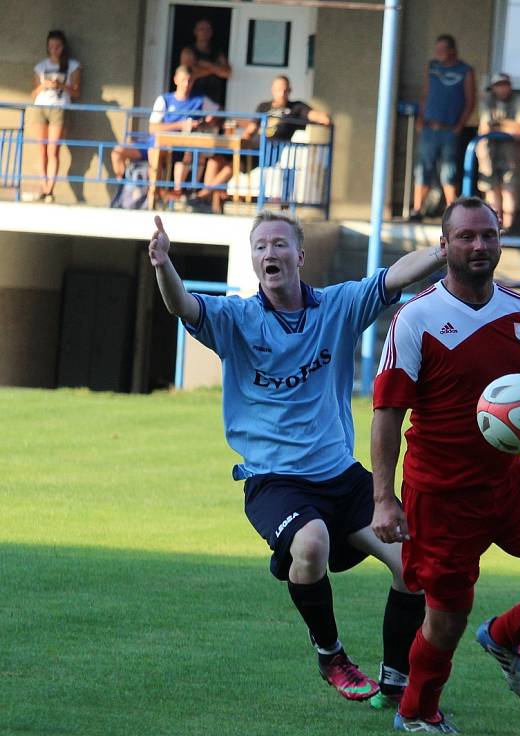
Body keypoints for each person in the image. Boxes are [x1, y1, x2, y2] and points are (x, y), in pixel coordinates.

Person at [147, 209, 447, 706]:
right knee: (310, 545)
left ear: (300, 256)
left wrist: (440, 253)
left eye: (280, 244)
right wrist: (163, 265)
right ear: (253, 259)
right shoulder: (236, 319)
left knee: (414, 563)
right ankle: (332, 656)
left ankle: (396, 679)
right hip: (274, 480)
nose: (270, 252)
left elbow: (393, 275)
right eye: (261, 246)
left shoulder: (337, 307)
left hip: (342, 477)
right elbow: (183, 306)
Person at [370, 196, 520, 734]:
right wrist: (384, 497)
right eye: (466, 236)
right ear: (443, 246)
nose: (479, 245)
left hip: (508, 483)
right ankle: (416, 713)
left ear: (500, 241)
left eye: (488, 235)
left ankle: (506, 636)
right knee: (445, 616)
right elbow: (387, 412)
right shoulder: (417, 319)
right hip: (440, 494)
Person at [194, 75, 331, 212]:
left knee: (233, 165)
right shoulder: (263, 106)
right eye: (278, 89)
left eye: (285, 90)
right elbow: (251, 129)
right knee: (215, 160)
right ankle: (209, 201)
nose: (282, 93)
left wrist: (324, 119)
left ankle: (203, 195)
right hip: (252, 146)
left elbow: (316, 116)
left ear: (290, 91)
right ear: (272, 90)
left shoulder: (296, 108)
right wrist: (241, 141)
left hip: (268, 153)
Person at [112, 66, 219, 200]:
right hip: (155, 142)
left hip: (179, 147)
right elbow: (153, 128)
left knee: (172, 153)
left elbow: (218, 112)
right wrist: (180, 125)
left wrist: (208, 120)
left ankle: (158, 194)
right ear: (175, 80)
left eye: (190, 81)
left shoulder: (198, 100)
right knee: (118, 152)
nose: (186, 84)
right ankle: (123, 188)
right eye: (183, 80)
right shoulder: (165, 100)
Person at [409, 34, 476, 221]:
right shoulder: (432, 67)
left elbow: (470, 101)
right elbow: (425, 94)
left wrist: (459, 126)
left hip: (449, 129)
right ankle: (417, 209)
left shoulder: (465, 70)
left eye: (442, 50)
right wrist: (421, 119)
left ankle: (451, 211)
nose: (438, 53)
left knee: (449, 169)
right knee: (423, 167)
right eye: (436, 49)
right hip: (429, 128)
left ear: (452, 51)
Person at [30, 30, 81, 203]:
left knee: (53, 150)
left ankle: (50, 190)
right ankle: (43, 187)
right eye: (51, 46)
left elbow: (76, 92)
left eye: (57, 46)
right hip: (41, 106)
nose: (54, 50)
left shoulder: (72, 65)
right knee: (41, 150)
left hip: (59, 107)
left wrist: (60, 85)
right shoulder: (41, 66)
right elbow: (33, 92)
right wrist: (44, 85)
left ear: (63, 47)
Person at [475, 72, 520, 231]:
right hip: (488, 150)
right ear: (493, 88)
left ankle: (508, 227)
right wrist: (508, 127)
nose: (502, 89)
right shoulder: (486, 100)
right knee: (491, 187)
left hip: (510, 151)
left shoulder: (518, 100)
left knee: (508, 187)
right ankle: (494, 225)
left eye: (504, 85)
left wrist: (497, 124)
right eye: (498, 85)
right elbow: (485, 128)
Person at [189, 18, 231, 108]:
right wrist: (216, 69)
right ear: (195, 32)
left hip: (214, 98)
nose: (205, 32)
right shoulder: (189, 51)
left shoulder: (217, 52)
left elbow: (227, 73)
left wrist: (206, 65)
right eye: (201, 29)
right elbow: (189, 74)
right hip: (194, 100)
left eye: (208, 29)